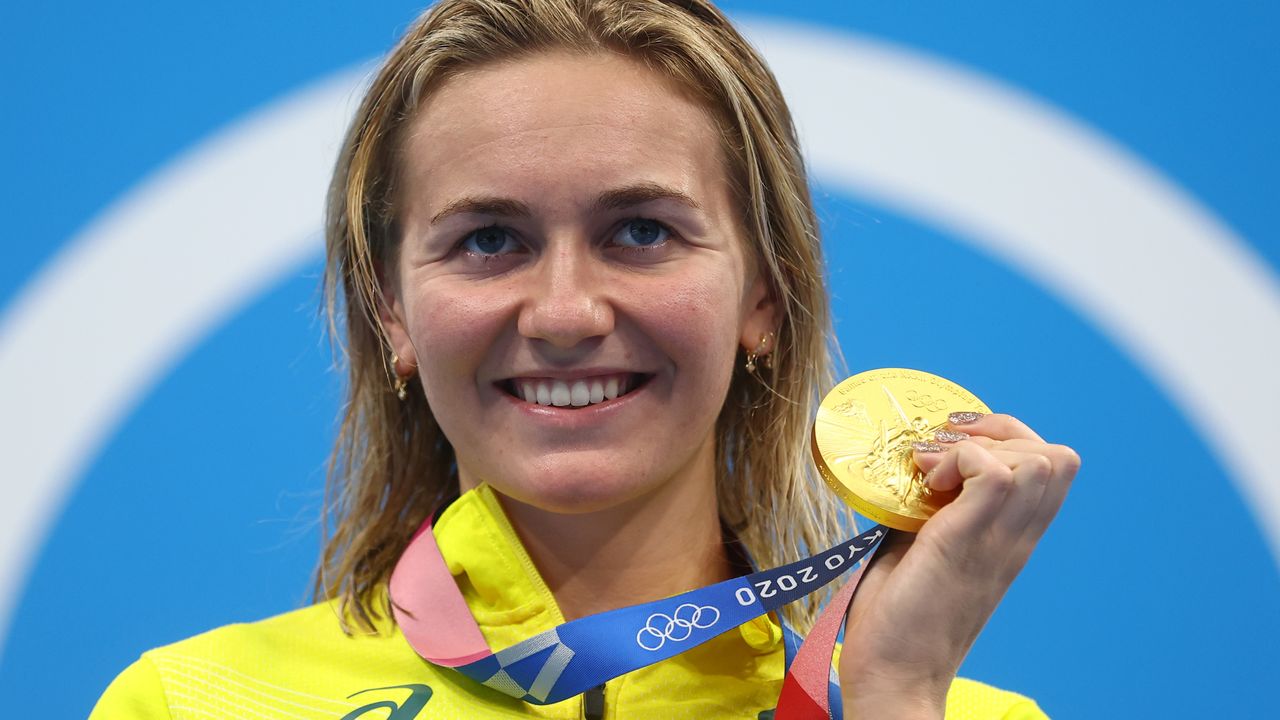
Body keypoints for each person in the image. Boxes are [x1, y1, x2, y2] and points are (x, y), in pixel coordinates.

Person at [92, 1, 1080, 718]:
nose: (564, 312)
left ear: (764, 296)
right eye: (488, 240)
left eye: (641, 231)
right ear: (391, 312)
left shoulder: (951, 714)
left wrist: (894, 695)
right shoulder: (195, 702)